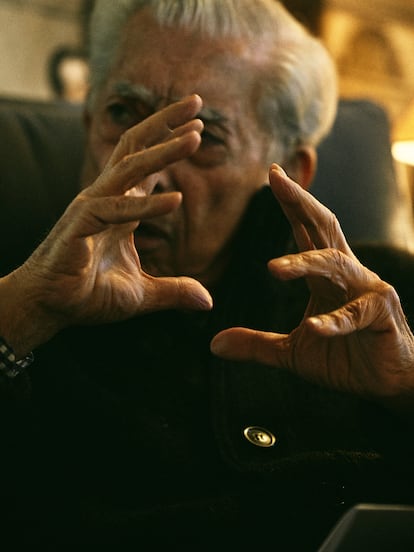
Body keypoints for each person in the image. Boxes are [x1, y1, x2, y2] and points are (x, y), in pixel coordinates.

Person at [2, 0, 414, 548]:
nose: (146, 177)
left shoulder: (385, 297)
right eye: (123, 113)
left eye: (203, 139)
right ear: (87, 117)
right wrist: (21, 315)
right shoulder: (21, 305)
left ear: (288, 172)